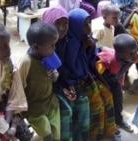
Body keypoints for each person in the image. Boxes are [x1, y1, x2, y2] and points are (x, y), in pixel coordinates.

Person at [64, 8, 119, 141]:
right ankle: (95, 136)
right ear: (76, 26)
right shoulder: (71, 42)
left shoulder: (86, 38)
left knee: (108, 95)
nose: (89, 27)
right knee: (97, 103)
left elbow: (91, 61)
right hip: (76, 80)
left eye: (90, 22)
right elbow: (74, 68)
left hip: (89, 75)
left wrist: (90, 47)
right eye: (85, 24)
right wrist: (83, 49)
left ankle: (109, 131)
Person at [42, 6, 90, 141]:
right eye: (57, 24)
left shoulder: (64, 41)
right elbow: (47, 76)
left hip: (61, 83)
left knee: (83, 102)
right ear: (48, 24)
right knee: (67, 111)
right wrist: (62, 88)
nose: (62, 28)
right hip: (47, 89)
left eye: (65, 24)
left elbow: (62, 68)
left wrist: (69, 85)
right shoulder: (42, 46)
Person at [95, 33, 138, 133]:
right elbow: (97, 72)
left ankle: (119, 120)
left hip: (114, 81)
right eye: (131, 53)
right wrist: (105, 86)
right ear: (120, 54)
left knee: (118, 100)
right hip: (101, 82)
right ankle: (109, 126)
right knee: (105, 104)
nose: (134, 55)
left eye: (135, 51)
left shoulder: (131, 56)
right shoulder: (109, 60)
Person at [18, 21, 61, 141]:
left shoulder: (49, 54)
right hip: (35, 109)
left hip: (51, 103)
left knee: (56, 136)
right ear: (36, 47)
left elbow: (55, 74)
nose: (54, 48)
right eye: (51, 45)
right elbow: (18, 87)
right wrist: (18, 112)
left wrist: (54, 76)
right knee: (48, 137)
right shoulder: (26, 62)